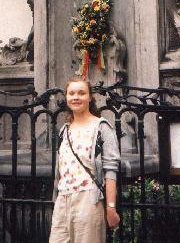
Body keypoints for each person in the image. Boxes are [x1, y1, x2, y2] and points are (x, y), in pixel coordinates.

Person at [49, 76, 120, 243]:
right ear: (66, 97)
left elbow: (111, 170)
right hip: (63, 199)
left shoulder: (102, 127)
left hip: (88, 200)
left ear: (89, 97)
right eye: (71, 93)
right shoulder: (64, 130)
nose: (76, 97)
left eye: (81, 93)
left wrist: (111, 207)